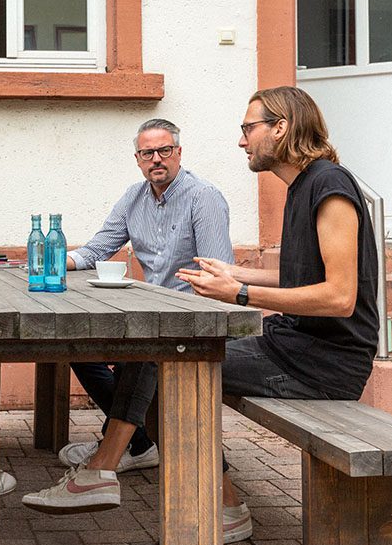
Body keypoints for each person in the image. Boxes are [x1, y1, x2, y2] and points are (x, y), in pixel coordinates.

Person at [177, 86, 379, 543]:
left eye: (249, 128)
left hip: (321, 366)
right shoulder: (302, 186)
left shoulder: (330, 185)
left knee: (171, 368)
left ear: (281, 128)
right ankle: (113, 463)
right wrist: (234, 272)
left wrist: (241, 294)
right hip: (288, 347)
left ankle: (223, 505)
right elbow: (300, 277)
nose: (242, 141)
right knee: (163, 358)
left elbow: (340, 296)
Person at [22, 118, 234, 515]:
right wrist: (50, 262)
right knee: (80, 345)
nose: (156, 159)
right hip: (155, 316)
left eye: (164, 151)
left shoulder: (203, 197)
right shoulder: (134, 197)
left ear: (179, 153)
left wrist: (184, 314)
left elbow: (218, 274)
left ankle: (108, 460)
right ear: (137, 160)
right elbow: (97, 249)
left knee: (149, 354)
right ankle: (135, 443)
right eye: (147, 153)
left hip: (199, 320)